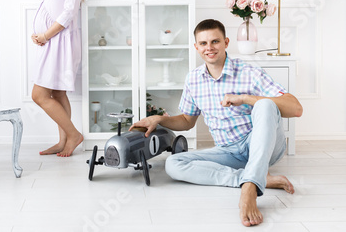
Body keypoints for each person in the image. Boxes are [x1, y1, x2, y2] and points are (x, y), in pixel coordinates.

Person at [129, 19, 303, 227]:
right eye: (203, 43)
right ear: (196, 47)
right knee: (173, 164)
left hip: (263, 146)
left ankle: (250, 187)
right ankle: (253, 177)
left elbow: (296, 108)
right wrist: (160, 119)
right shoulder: (193, 79)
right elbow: (187, 121)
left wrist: (246, 98)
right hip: (228, 152)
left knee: (265, 105)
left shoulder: (249, 72)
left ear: (226, 42)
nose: (209, 48)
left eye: (215, 41)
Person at [31, 0, 85, 157]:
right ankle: (63, 141)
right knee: (58, 93)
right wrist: (39, 34)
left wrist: (45, 35)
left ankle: (74, 134)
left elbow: (68, 14)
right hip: (53, 41)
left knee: (39, 95)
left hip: (60, 42)